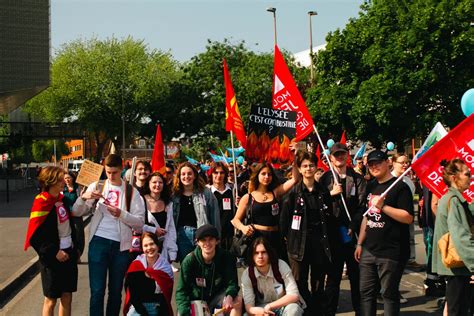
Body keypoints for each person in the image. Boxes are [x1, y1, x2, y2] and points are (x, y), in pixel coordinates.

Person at [72, 153, 145, 316]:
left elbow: (140, 222)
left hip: (121, 246)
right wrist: (84, 197)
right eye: (108, 172)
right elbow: (76, 212)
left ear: (121, 170)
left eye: (115, 172)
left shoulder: (131, 192)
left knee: (115, 291)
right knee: (97, 291)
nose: (111, 176)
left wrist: (121, 214)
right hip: (98, 242)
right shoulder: (97, 185)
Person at [354, 149, 414, 316]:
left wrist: (384, 207)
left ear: (387, 163)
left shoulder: (400, 187)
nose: (374, 167)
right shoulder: (371, 186)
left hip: (391, 251)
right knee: (366, 294)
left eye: (377, 163)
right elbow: (367, 216)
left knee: (388, 294)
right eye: (371, 164)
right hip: (368, 249)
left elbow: (408, 217)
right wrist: (359, 243)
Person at [280, 151, 335, 315]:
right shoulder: (293, 193)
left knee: (318, 281)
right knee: (299, 282)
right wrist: (288, 241)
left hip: (319, 243)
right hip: (298, 245)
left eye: (311, 165)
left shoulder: (324, 192)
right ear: (299, 169)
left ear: (316, 167)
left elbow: (329, 218)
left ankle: (317, 310)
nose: (308, 168)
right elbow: (284, 222)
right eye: (304, 166)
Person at [319, 142, 366, 316]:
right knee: (333, 278)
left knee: (356, 277)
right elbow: (317, 203)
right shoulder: (325, 179)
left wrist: (353, 224)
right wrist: (329, 194)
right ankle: (329, 311)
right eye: (336, 155)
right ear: (330, 158)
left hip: (352, 234)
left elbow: (362, 206)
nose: (340, 157)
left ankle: (360, 311)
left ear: (347, 156)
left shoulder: (358, 178)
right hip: (332, 235)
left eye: (342, 154)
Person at [24, 166, 78, 316]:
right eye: (60, 179)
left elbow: (71, 224)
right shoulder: (41, 202)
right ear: (51, 181)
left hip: (69, 253)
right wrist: (55, 252)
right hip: (52, 257)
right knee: (51, 299)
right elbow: (35, 237)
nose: (64, 181)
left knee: (67, 296)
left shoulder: (63, 200)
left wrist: (75, 248)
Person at [231, 161, 299, 259]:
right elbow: (235, 220)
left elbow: (295, 179)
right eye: (263, 174)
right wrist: (243, 228)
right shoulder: (248, 197)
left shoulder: (276, 193)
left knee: (277, 270)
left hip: (275, 239)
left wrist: (295, 159)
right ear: (257, 175)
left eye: (269, 174)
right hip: (256, 239)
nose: (267, 177)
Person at [432, 159, 474, 316]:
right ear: (454, 177)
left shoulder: (453, 200)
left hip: (457, 266)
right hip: (456, 267)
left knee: (457, 309)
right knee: (458, 310)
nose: (470, 177)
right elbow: (461, 236)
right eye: (467, 174)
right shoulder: (452, 201)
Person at [175, 224, 242, 315]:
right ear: (197, 242)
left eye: (210, 239)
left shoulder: (227, 257)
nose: (207, 243)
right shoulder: (189, 261)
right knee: (181, 311)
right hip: (197, 300)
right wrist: (185, 312)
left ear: (217, 241)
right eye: (203, 240)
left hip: (218, 299)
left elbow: (232, 283)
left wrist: (229, 295)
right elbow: (181, 291)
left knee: (237, 300)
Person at [241, 237, 305, 315]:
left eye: (263, 252)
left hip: (285, 305)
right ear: (252, 256)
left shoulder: (281, 266)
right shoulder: (248, 274)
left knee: (293, 310)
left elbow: (294, 295)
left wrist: (270, 306)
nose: (260, 256)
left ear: (269, 253)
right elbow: (249, 307)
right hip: (262, 308)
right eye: (256, 253)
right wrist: (259, 312)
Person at [172, 162, 221, 262]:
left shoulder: (205, 193)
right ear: (179, 176)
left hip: (203, 236)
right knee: (187, 268)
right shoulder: (174, 195)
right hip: (182, 237)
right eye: (183, 174)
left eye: (189, 173)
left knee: (203, 266)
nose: (186, 176)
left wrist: (216, 237)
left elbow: (214, 216)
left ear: (194, 175)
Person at [124, 232, 174, 316]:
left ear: (157, 245)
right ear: (142, 249)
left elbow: (165, 298)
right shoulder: (136, 265)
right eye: (145, 245)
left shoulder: (166, 268)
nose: (149, 248)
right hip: (137, 307)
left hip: (158, 307)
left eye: (152, 244)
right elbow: (133, 296)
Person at [391, 153, 423, 272]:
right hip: (394, 217)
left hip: (407, 215)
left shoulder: (409, 181)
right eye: (402, 162)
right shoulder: (390, 179)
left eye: (406, 162)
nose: (405, 165)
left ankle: (410, 259)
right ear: (393, 163)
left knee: (410, 238)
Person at [142, 172, 177, 263]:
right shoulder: (141, 200)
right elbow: (137, 224)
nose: (157, 185)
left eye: (160, 182)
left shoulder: (168, 203)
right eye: (154, 182)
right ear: (148, 183)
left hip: (162, 250)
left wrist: (172, 252)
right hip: (144, 248)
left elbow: (171, 228)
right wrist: (154, 230)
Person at [207, 162, 235, 250]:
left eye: (222, 173)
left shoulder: (233, 191)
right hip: (213, 235)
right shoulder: (207, 193)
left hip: (230, 235)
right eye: (216, 172)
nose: (219, 175)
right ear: (211, 174)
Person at [62, 172, 85, 262]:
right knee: (69, 236)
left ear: (73, 178)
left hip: (76, 216)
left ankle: (78, 254)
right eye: (65, 178)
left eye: (69, 178)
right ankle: (71, 255)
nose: (67, 180)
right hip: (65, 217)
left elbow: (82, 201)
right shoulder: (62, 189)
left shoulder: (78, 189)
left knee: (79, 235)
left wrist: (82, 196)